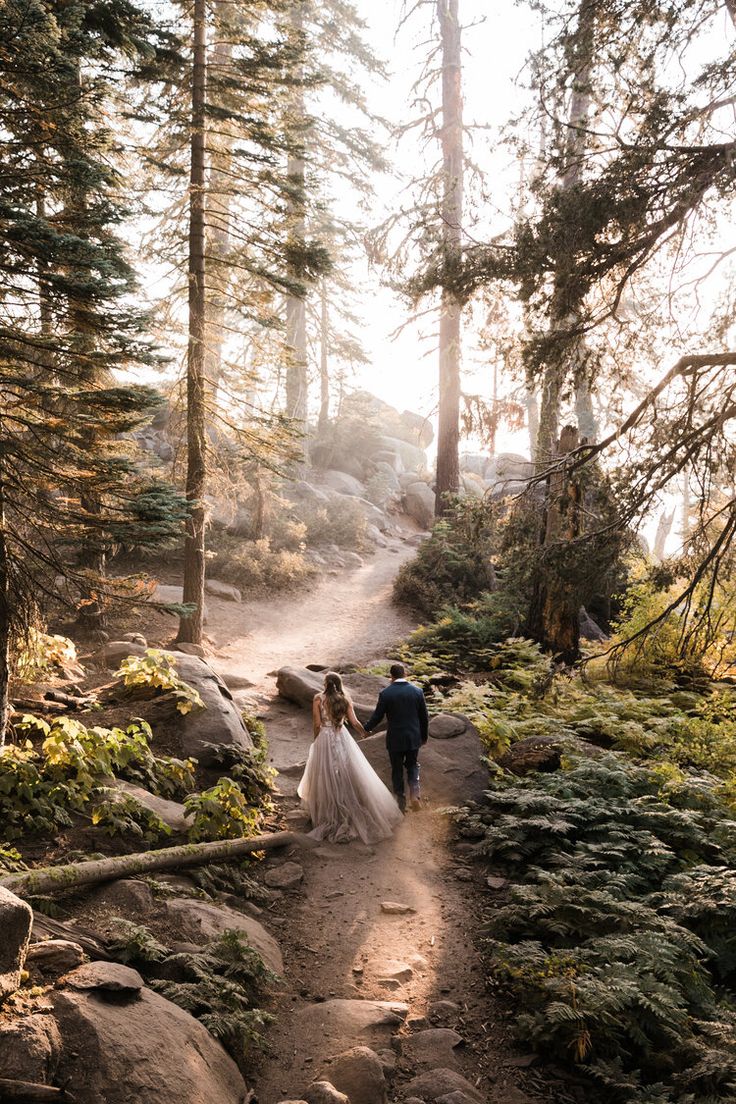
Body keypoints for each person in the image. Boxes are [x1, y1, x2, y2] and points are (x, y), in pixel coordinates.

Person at [297, 672, 404, 845]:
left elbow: (317, 724)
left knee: (324, 772)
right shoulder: (345, 699)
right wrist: (364, 733)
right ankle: (349, 805)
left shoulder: (318, 699)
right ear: (339, 684)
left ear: (325, 684)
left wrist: (316, 740)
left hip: (324, 736)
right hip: (341, 736)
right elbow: (354, 722)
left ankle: (327, 811)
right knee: (347, 771)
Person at [363, 662, 429, 813]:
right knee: (412, 765)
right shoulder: (417, 691)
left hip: (395, 739)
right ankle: (415, 795)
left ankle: (401, 802)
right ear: (405, 674)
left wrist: (366, 728)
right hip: (413, 737)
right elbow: (424, 717)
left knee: (397, 770)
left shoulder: (386, 693)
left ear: (391, 677)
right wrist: (423, 736)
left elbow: (377, 716)